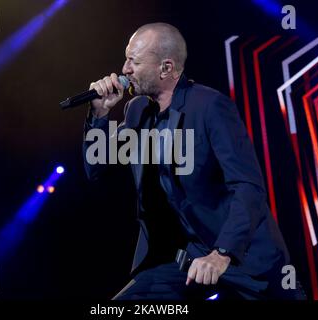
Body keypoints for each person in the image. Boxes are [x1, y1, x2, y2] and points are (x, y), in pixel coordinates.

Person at [83, 22, 305, 300]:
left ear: (166, 68)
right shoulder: (137, 110)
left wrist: (222, 253)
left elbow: (248, 187)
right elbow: (98, 173)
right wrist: (100, 116)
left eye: (134, 61)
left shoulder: (210, 106)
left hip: (242, 257)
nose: (124, 70)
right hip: (181, 258)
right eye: (126, 59)